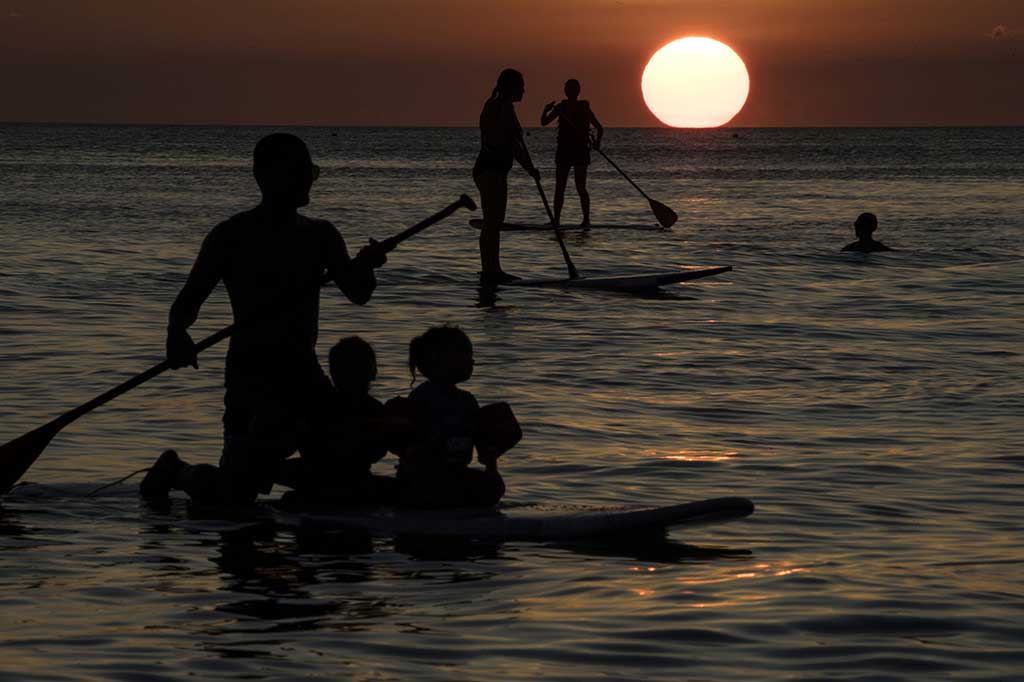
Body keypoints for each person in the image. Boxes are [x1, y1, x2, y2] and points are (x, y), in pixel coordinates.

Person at [139, 133, 387, 505]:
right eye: (300, 171)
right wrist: (177, 333)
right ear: (266, 176)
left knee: (336, 466)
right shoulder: (231, 236)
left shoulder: (321, 235)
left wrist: (366, 266)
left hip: (305, 374)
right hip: (250, 377)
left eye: (310, 171)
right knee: (233, 496)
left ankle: (292, 485)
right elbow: (188, 301)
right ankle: (178, 472)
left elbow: (358, 292)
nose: (308, 180)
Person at [390, 325, 520, 509]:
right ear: (440, 359)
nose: (472, 361)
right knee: (423, 487)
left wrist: (491, 462)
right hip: (424, 477)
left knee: (493, 486)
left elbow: (479, 438)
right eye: (465, 353)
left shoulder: (467, 401)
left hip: (456, 474)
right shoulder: (422, 398)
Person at [277, 336, 399, 506]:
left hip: (316, 475)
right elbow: (377, 452)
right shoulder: (374, 408)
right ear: (373, 372)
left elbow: (299, 441)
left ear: (334, 373)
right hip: (354, 478)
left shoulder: (317, 404)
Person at [474, 68, 541, 285]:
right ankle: (490, 270)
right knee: (491, 222)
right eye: (520, 86)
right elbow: (497, 141)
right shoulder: (494, 107)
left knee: (496, 220)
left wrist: (530, 168)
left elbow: (515, 147)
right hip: (489, 169)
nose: (524, 90)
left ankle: (494, 268)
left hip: (499, 170)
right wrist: (509, 138)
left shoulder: (508, 109)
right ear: (510, 87)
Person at [541, 79, 603, 227]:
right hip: (573, 151)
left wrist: (546, 109)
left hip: (571, 151)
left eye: (569, 88)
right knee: (575, 187)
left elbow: (543, 121)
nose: (568, 91)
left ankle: (563, 220)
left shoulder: (568, 108)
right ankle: (582, 220)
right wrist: (597, 144)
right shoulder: (578, 108)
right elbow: (600, 129)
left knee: (565, 187)